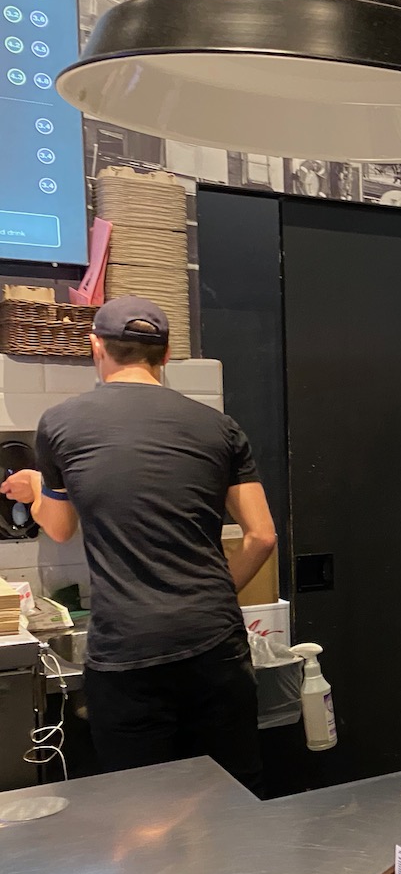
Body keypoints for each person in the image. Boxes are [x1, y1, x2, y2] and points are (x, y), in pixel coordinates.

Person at [0, 298, 277, 794]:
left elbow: (61, 528)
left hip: (127, 652)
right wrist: (216, 593)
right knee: (233, 793)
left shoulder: (61, 424)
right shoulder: (220, 427)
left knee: (140, 807)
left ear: (96, 347)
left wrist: (35, 492)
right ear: (166, 354)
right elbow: (262, 536)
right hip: (213, 646)